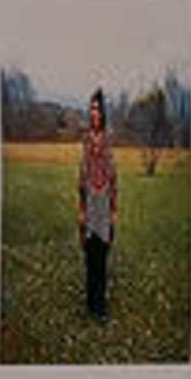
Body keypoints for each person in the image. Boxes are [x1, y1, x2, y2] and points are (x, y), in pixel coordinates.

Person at [77, 85, 118, 328]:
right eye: (91, 109)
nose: (94, 113)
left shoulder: (108, 137)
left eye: (98, 109)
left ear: (103, 113)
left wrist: (114, 208)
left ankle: (101, 306)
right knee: (89, 252)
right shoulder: (85, 138)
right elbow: (82, 172)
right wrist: (81, 208)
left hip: (104, 200)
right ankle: (90, 302)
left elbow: (113, 174)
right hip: (89, 199)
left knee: (102, 252)